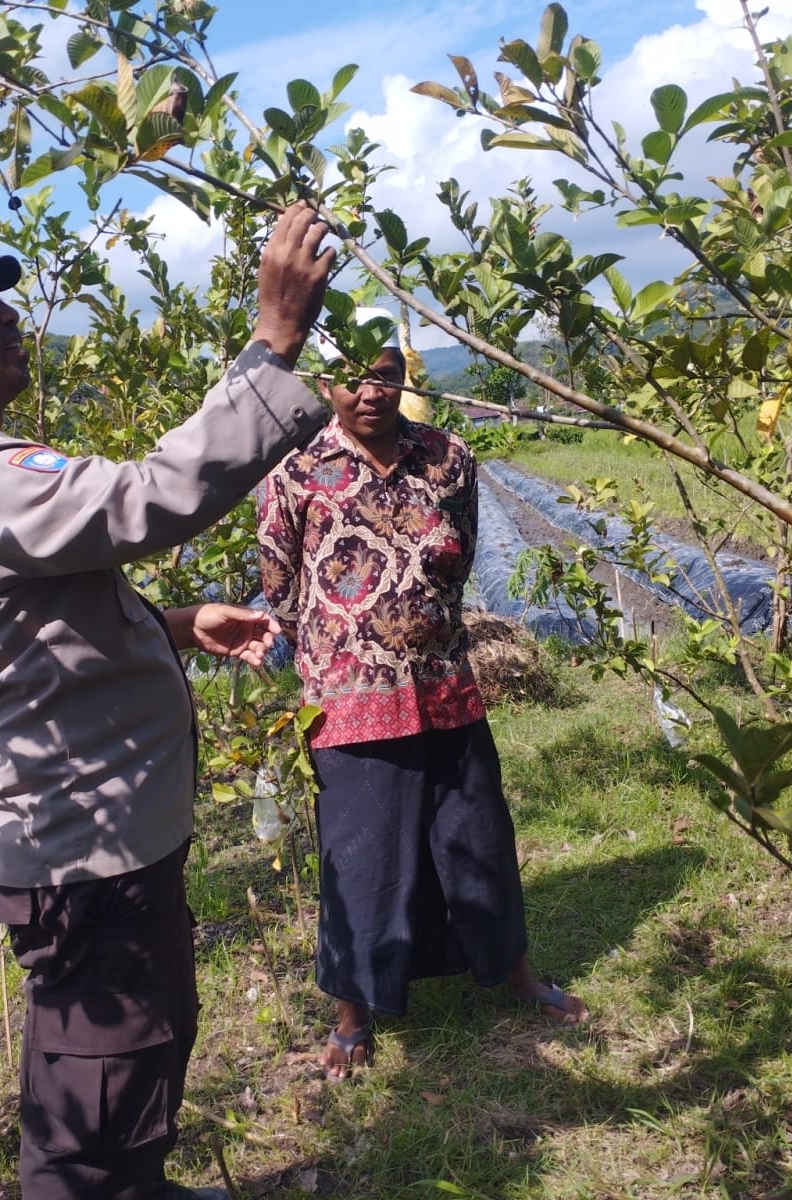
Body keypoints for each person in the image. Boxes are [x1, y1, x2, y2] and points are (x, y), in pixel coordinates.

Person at [0, 206, 333, 1199]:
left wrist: (172, 624)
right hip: (84, 859)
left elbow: (32, 639)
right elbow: (142, 499)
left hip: (106, 844)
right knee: (90, 1117)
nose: (10, 314)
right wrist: (273, 342)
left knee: (134, 1062)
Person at [256, 330, 591, 1081]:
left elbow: (460, 557)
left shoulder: (448, 458)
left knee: (476, 836)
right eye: (352, 379)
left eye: (383, 376)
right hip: (346, 702)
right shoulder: (297, 471)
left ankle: (515, 976)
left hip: (445, 687)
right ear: (326, 386)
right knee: (361, 855)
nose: (369, 392)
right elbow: (280, 587)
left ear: (400, 379)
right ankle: (352, 1016)